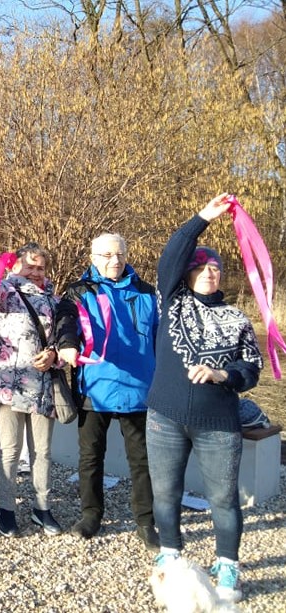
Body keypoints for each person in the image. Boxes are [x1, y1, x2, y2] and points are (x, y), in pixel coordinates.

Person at [146, 194, 262, 603]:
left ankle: (227, 564)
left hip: (218, 424)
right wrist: (203, 217)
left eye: (215, 268)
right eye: (201, 266)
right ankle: (170, 555)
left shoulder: (237, 318)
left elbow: (251, 368)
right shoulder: (172, 302)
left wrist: (222, 374)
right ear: (188, 274)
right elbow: (171, 257)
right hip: (165, 417)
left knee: (223, 499)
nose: (208, 272)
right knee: (166, 493)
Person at [54, 233, 159, 550]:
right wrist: (67, 345)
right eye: (107, 254)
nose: (115, 260)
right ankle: (91, 515)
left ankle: (145, 520)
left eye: (121, 253)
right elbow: (65, 322)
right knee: (90, 458)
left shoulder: (147, 292)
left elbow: (160, 337)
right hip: (95, 390)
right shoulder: (79, 292)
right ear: (93, 257)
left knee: (142, 460)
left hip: (139, 391)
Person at [0, 242, 63, 538]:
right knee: (10, 449)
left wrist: (54, 355)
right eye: (29, 266)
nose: (35, 272)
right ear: (14, 266)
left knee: (43, 451)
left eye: (40, 267)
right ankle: (6, 509)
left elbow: (65, 337)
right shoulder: (5, 291)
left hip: (43, 384)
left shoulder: (55, 300)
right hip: (7, 383)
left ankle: (42, 507)